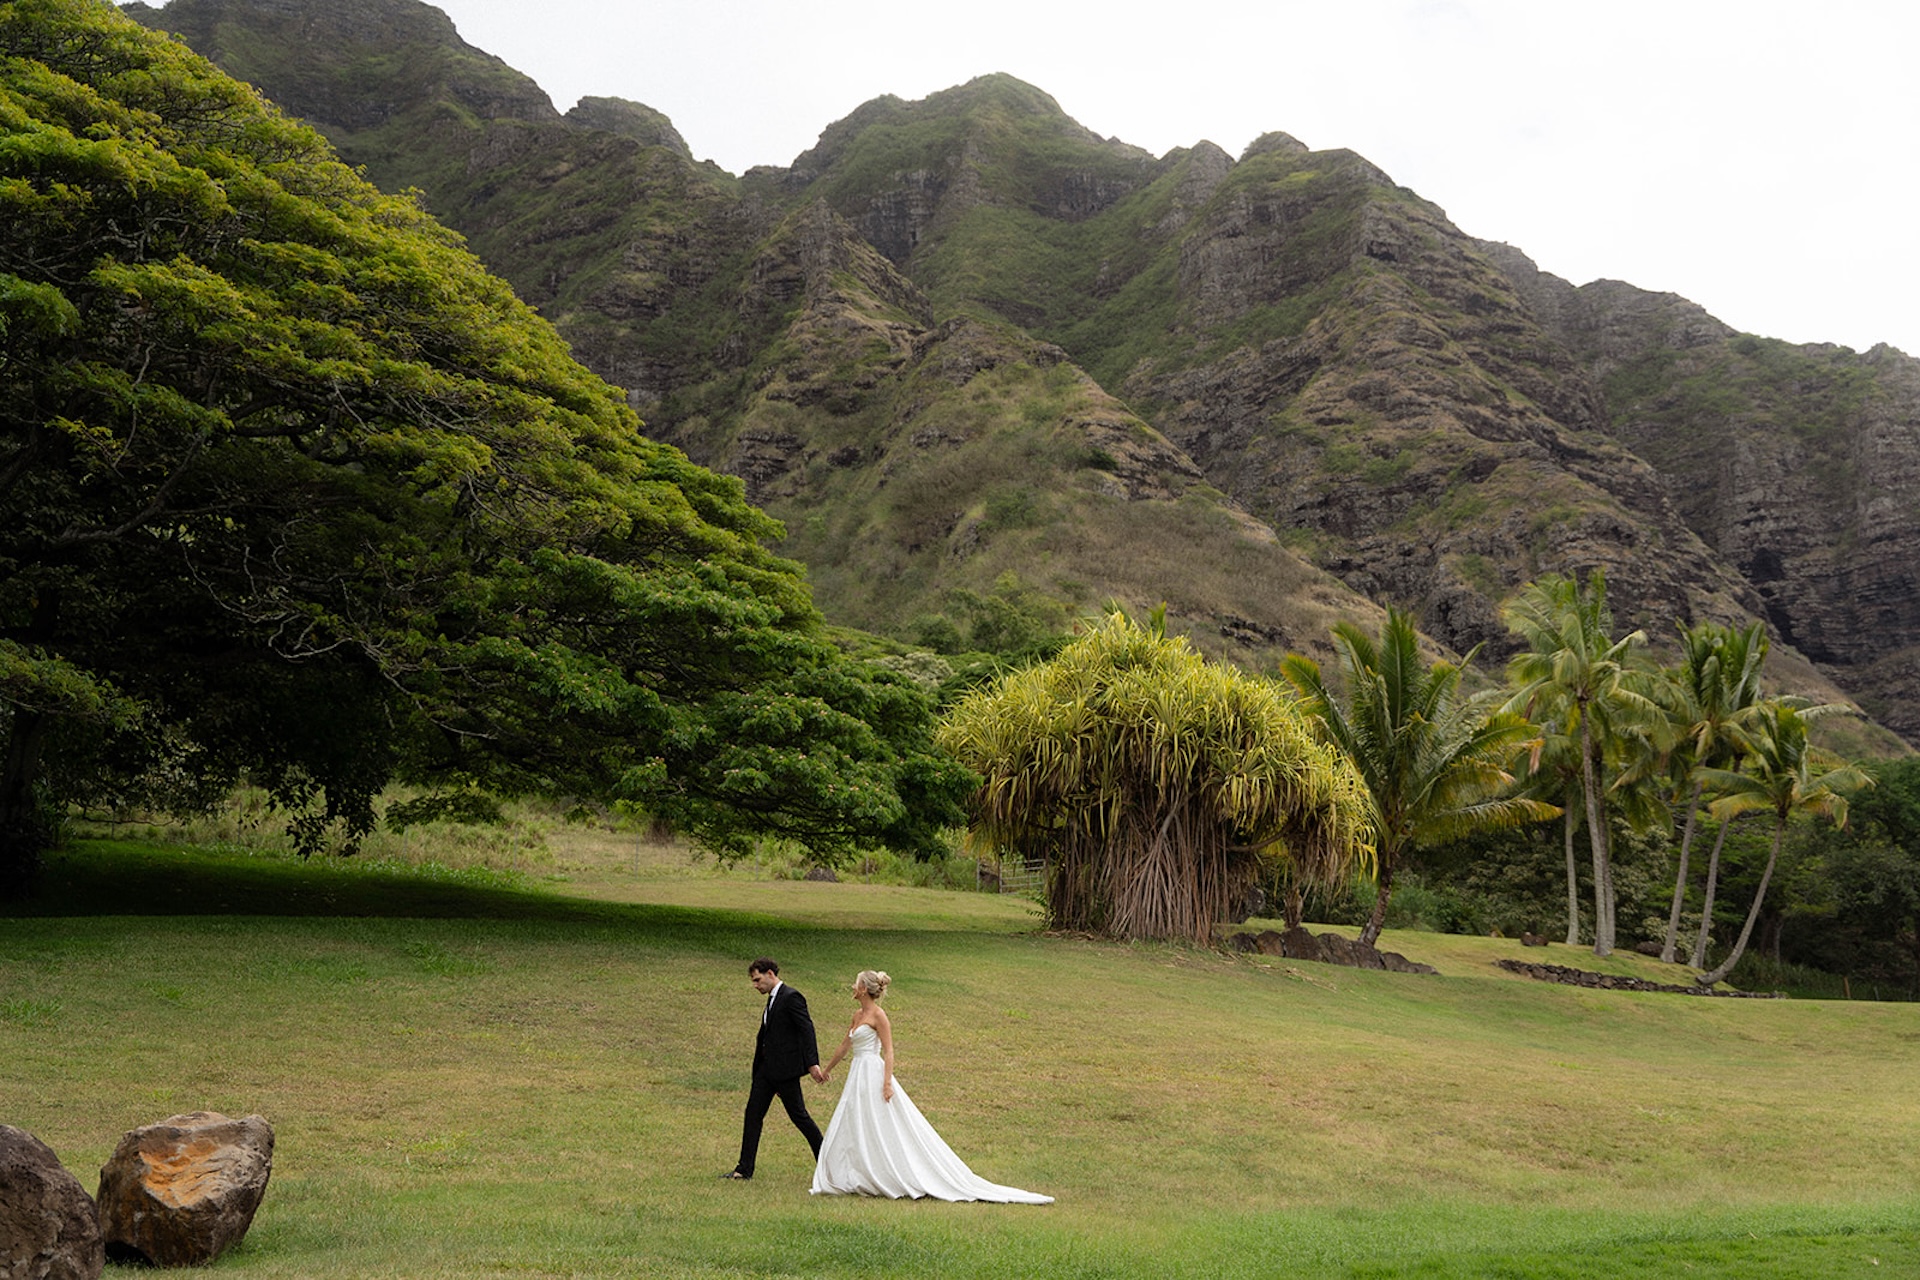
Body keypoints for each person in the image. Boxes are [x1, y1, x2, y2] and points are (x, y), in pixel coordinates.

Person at [810, 969, 1052, 1203]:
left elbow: (890, 1049)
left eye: (856, 983)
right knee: (855, 1118)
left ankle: (888, 1171)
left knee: (879, 1119)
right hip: (857, 1073)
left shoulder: (878, 1015)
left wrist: (887, 1082)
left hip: (872, 1070)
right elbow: (845, 1045)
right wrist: (826, 1071)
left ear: (863, 989)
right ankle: (856, 1170)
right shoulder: (857, 1015)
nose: (853, 987)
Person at [724, 958, 825, 1180]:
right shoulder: (772, 1000)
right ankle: (744, 1169)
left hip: (785, 1072)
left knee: (799, 1116)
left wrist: (812, 1063)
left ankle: (827, 1162)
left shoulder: (791, 997)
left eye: (758, 980)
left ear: (770, 974)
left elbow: (806, 1029)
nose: (756, 985)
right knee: (753, 1114)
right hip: (765, 1071)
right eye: (753, 981)